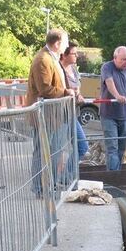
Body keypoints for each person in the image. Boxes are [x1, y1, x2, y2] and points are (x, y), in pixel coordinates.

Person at [26, 28, 75, 197]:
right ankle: (41, 188)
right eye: (66, 42)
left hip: (53, 115)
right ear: (57, 44)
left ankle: (49, 186)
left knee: (53, 152)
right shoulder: (43, 59)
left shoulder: (51, 58)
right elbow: (45, 88)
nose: (67, 46)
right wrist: (66, 92)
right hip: (45, 115)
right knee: (42, 153)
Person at [59, 42, 89, 158]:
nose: (77, 56)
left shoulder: (73, 68)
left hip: (72, 113)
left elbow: (77, 86)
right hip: (60, 115)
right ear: (64, 55)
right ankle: (64, 174)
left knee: (82, 147)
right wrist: (69, 91)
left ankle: (68, 173)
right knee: (58, 150)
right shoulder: (58, 69)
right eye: (74, 53)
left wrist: (79, 94)